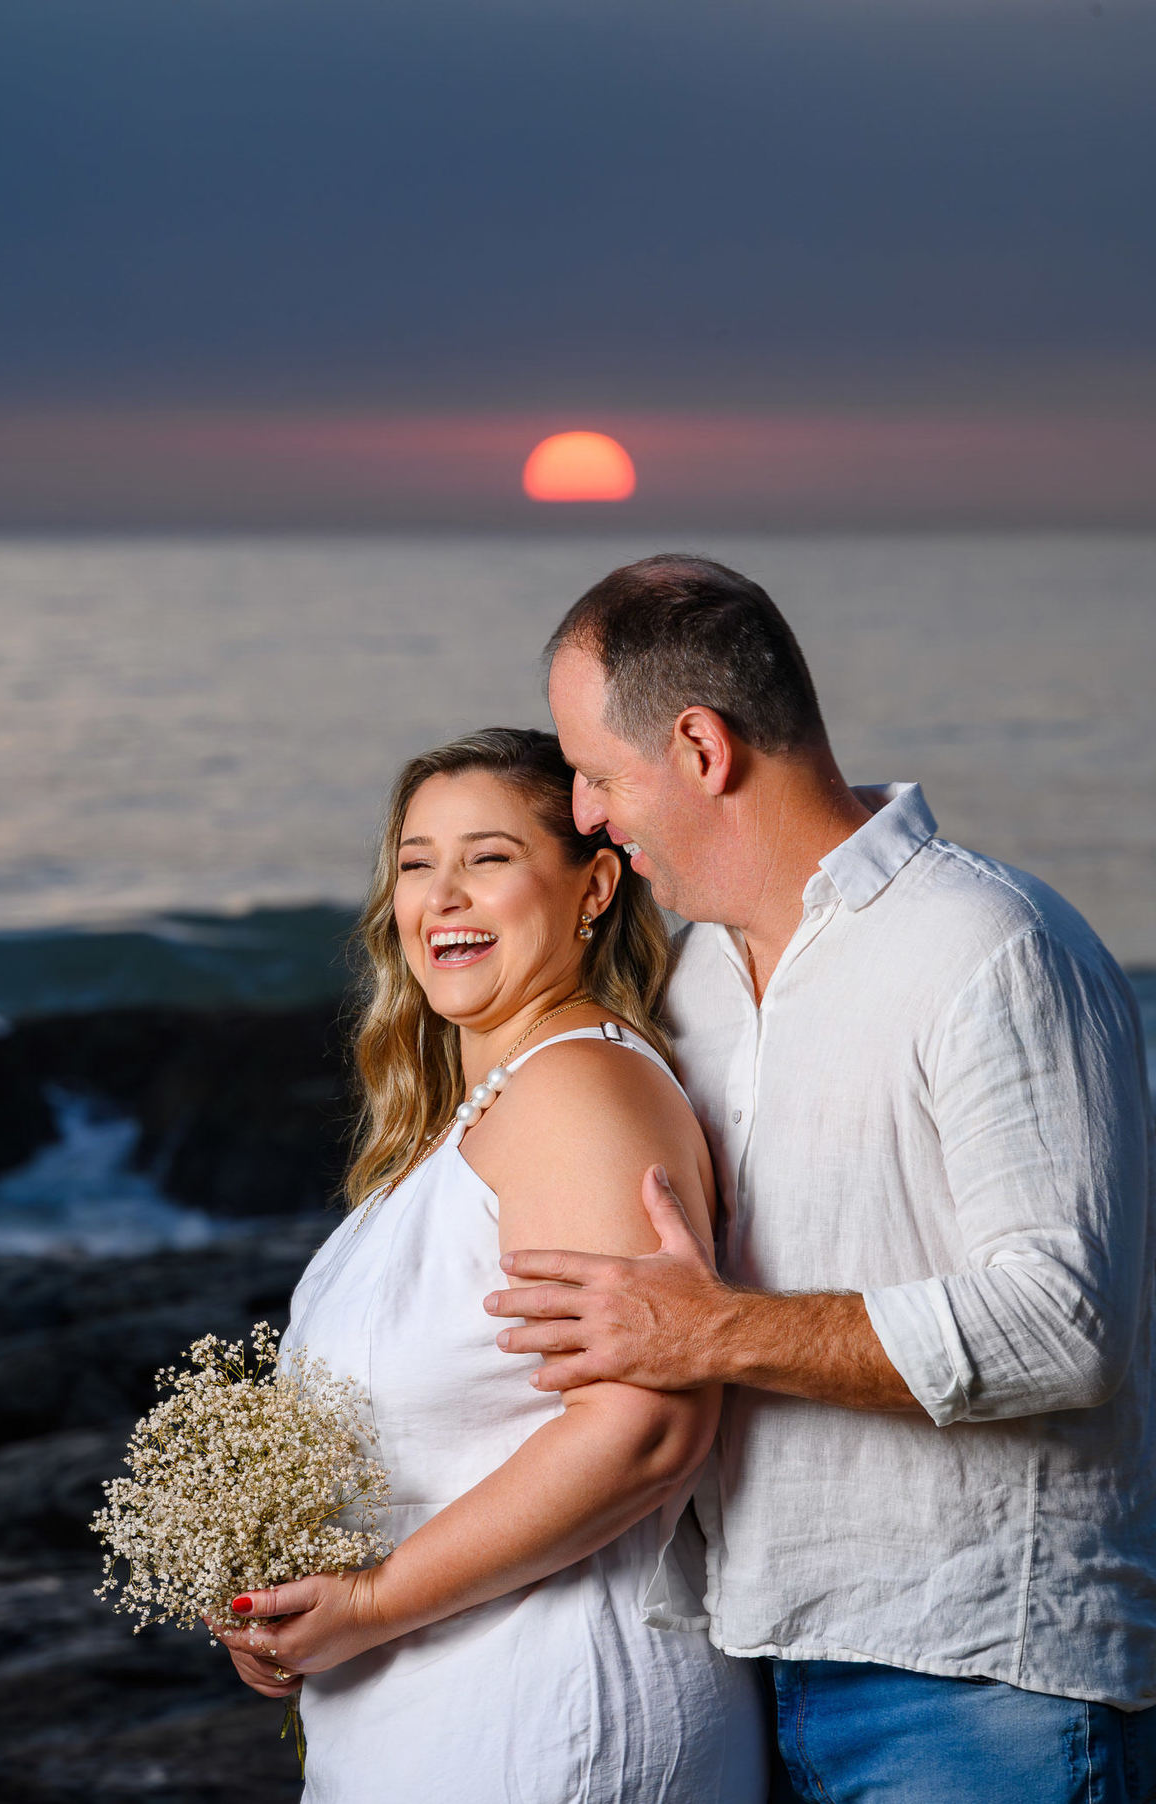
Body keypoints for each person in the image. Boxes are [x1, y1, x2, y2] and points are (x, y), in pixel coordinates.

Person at [486, 554, 1156, 1802]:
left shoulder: (989, 946)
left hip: (979, 1690)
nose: (583, 810)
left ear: (700, 746)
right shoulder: (691, 984)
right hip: (752, 1671)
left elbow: (1068, 1329)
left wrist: (716, 1332)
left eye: (596, 770)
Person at [214, 727, 764, 1803]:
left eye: (489, 857)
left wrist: (371, 1604)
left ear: (593, 884)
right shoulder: (469, 1120)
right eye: (417, 863)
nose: (444, 896)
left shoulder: (577, 1094)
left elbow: (644, 1426)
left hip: (553, 1722)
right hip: (430, 1722)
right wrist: (284, 1596)